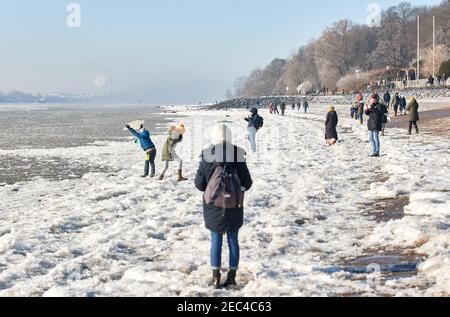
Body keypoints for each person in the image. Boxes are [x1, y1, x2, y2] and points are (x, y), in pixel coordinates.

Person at [195, 124, 253, 289]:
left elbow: (199, 184)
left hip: (213, 206)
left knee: (216, 240)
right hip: (234, 205)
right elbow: (247, 183)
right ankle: (232, 277)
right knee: (233, 239)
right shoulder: (238, 154)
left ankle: (215, 278)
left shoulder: (207, 155)